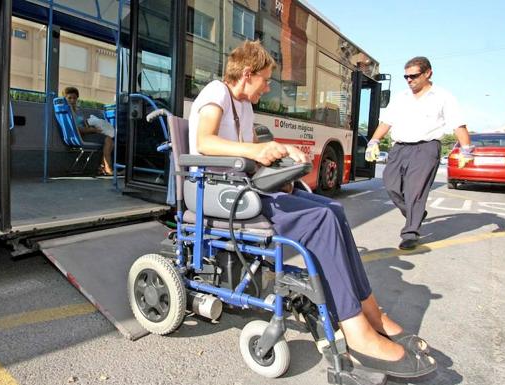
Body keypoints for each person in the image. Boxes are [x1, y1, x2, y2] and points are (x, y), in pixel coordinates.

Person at [189, 40, 436, 378]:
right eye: (266, 79)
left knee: (332, 211)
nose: (268, 86)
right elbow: (204, 142)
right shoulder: (216, 93)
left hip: (242, 189)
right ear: (247, 74)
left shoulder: (243, 106)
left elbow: (248, 156)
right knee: (320, 221)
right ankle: (356, 330)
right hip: (219, 193)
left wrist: (279, 159)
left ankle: (368, 310)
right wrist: (257, 152)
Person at [366, 56, 473, 250]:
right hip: (399, 147)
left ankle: (410, 233)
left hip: (426, 148)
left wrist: (466, 149)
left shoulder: (443, 97)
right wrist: (373, 141)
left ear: (427, 73)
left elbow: (458, 124)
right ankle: (415, 213)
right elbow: (386, 122)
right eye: (406, 77)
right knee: (391, 186)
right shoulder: (401, 97)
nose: (409, 80)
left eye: (413, 76)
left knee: (416, 191)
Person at [64, 86, 115, 176]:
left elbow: (84, 123)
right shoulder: (68, 113)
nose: (72, 100)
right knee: (109, 140)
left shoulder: (78, 111)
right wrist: (93, 130)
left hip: (86, 132)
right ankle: (107, 168)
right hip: (80, 136)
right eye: (69, 98)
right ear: (65, 99)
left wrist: (92, 127)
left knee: (110, 140)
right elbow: (77, 129)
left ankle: (102, 167)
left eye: (74, 98)